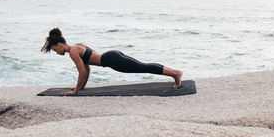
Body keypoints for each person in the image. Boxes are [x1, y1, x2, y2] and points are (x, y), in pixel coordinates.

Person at [41, 28, 183, 95]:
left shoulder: (73, 52)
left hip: (111, 60)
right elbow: (87, 69)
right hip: (112, 55)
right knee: (142, 66)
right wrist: (81, 87)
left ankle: (175, 73)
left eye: (55, 50)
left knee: (143, 67)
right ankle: (174, 73)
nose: (57, 53)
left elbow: (82, 71)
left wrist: (76, 91)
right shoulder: (78, 46)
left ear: (59, 45)